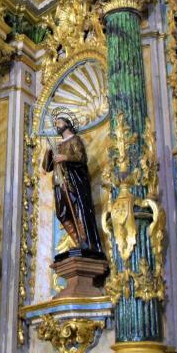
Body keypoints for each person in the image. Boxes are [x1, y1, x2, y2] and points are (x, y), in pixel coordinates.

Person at [42, 109, 104, 256]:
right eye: (56, 123)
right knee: (62, 214)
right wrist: (48, 152)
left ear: (67, 124)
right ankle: (78, 241)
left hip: (72, 183)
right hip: (59, 183)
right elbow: (47, 167)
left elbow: (81, 158)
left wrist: (65, 157)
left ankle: (86, 242)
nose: (57, 125)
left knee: (78, 211)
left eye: (59, 122)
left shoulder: (75, 140)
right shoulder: (57, 146)